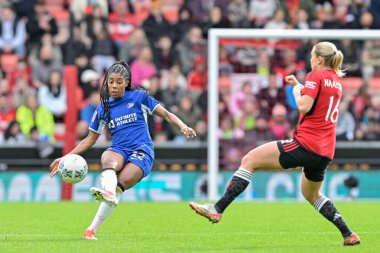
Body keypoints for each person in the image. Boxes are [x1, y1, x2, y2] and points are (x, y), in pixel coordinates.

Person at [189, 41, 360, 246]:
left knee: (250, 159)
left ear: (319, 59)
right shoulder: (335, 80)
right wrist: (299, 85)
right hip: (325, 150)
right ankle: (348, 234)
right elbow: (318, 101)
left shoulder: (315, 75)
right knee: (311, 194)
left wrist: (297, 91)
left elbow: (304, 105)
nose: (310, 59)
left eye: (312, 56)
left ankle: (217, 209)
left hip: (306, 143)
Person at [50, 61, 196, 240]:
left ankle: (94, 224)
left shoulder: (139, 97)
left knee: (121, 184)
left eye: (119, 81)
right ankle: (96, 220)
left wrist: (183, 126)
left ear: (126, 82)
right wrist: (65, 157)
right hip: (119, 149)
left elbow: (165, 114)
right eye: (111, 81)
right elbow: (90, 139)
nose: (114, 85)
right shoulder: (103, 107)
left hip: (142, 151)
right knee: (107, 158)